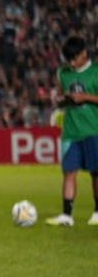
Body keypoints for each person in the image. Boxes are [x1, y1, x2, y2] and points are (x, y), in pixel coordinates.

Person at [46, 35, 98, 227]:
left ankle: (97, 212)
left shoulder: (96, 71)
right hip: (71, 131)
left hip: (94, 129)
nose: (72, 63)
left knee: (96, 173)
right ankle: (67, 215)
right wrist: (60, 100)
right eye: (69, 60)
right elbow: (60, 95)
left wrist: (85, 97)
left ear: (84, 53)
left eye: (74, 59)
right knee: (69, 172)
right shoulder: (63, 73)